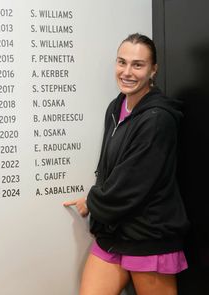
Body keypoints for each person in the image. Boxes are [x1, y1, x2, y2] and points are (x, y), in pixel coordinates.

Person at [63, 33, 189, 295]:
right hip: (114, 233)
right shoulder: (116, 106)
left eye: (138, 65)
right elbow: (110, 169)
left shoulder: (158, 119)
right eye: (122, 62)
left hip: (149, 236)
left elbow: (132, 184)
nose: (127, 72)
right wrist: (98, 200)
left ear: (153, 70)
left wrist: (93, 202)